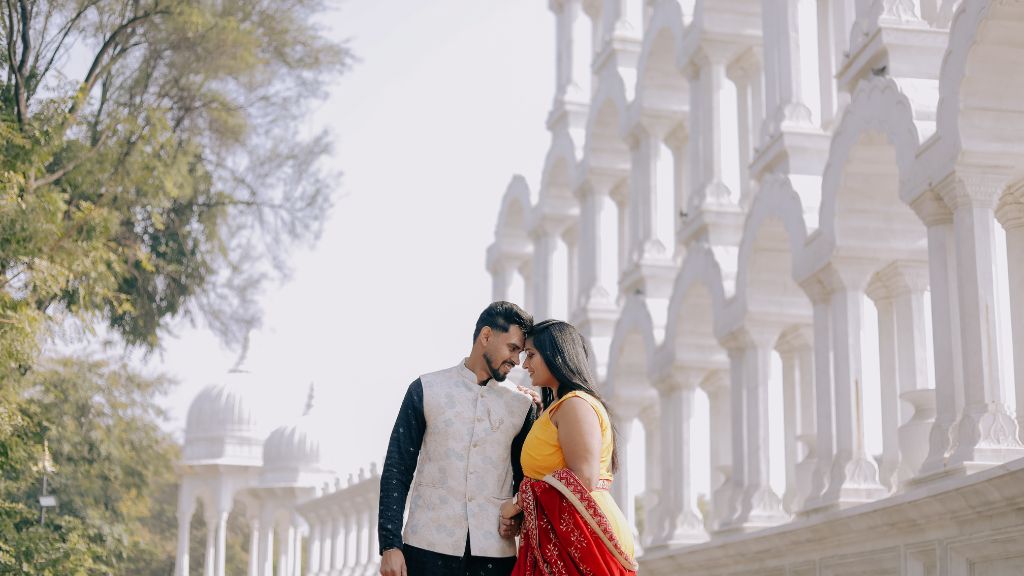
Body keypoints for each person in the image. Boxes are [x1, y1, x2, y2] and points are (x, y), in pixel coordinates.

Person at [378, 301, 538, 576]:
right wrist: (390, 545)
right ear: (486, 336)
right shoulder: (427, 389)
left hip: (494, 556)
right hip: (426, 548)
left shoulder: (521, 405)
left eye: (522, 352)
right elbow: (397, 468)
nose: (517, 360)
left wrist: (517, 516)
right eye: (512, 348)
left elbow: (526, 481)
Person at [499, 319, 638, 576]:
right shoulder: (559, 407)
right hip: (568, 531)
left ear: (556, 354)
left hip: (584, 534)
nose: (525, 364)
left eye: (530, 355)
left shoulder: (576, 404)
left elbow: (583, 477)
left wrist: (518, 502)